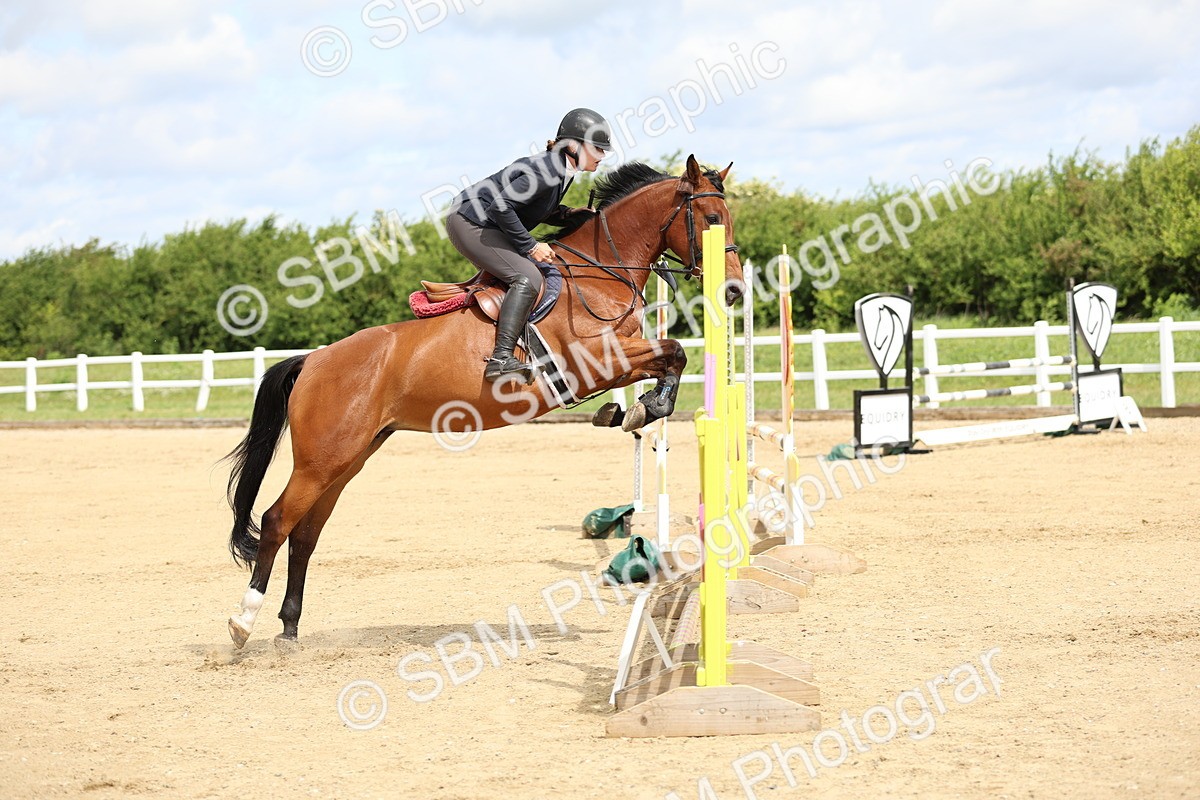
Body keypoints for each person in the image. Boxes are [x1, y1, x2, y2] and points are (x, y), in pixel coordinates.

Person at [447, 107, 613, 383]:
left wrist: (571, 214)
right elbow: (502, 206)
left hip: (482, 221)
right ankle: (501, 358)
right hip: (471, 221)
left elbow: (536, 207)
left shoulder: (560, 170)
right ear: (573, 145)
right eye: (597, 148)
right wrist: (530, 246)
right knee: (527, 276)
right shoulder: (548, 169)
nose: (602, 155)